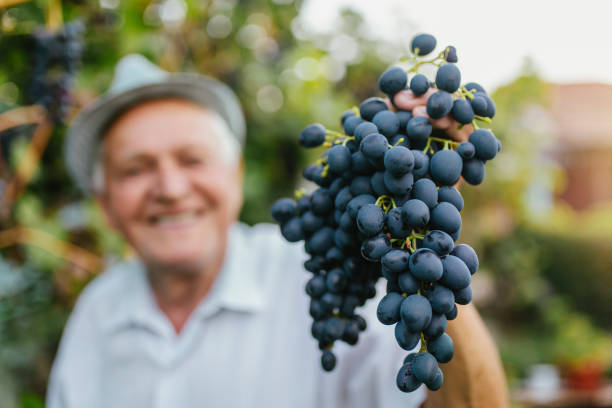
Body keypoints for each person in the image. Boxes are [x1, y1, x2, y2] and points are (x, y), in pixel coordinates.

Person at [46, 54, 509, 408]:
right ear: (104, 205)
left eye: (192, 159)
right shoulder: (96, 313)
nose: (169, 188)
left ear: (234, 175)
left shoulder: (325, 275)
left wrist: (422, 235)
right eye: (135, 169)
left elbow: (472, 399)